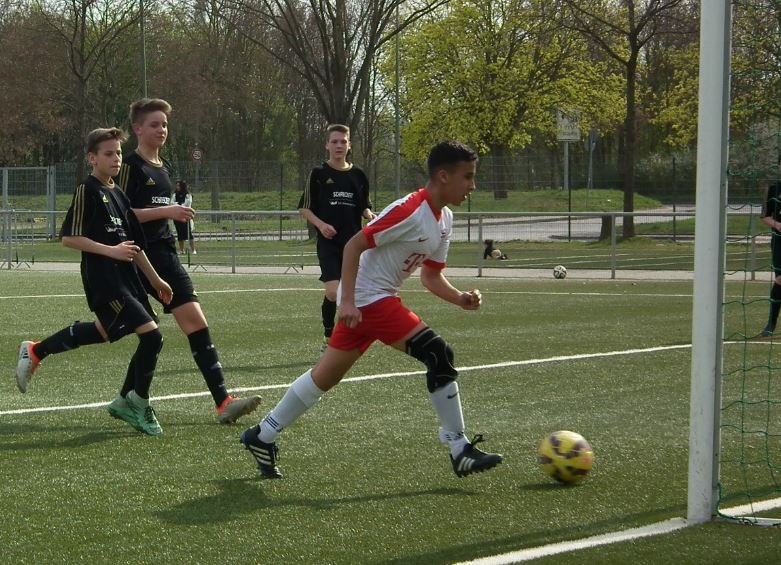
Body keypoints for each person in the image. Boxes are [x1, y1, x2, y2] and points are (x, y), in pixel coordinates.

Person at [240, 140, 503, 479]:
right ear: (443, 176)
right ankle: (458, 447)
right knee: (438, 352)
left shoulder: (445, 219)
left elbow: (431, 276)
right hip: (369, 298)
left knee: (324, 377)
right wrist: (348, 301)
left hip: (370, 300)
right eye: (467, 177)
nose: (472, 185)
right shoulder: (410, 210)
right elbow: (354, 245)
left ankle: (262, 435)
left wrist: (459, 298)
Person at [15, 127, 172, 436]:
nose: (116, 159)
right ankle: (137, 402)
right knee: (153, 337)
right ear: (92, 158)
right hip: (105, 280)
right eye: (108, 154)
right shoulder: (87, 190)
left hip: (128, 279)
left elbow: (135, 246)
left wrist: (157, 280)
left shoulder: (119, 194)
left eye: (118, 153)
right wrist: (111, 251)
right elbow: (69, 238)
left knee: (103, 332)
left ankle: (36, 351)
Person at [115, 98, 260, 423]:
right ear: (138, 129)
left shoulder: (163, 167)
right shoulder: (129, 166)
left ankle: (220, 402)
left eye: (165, 124)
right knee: (157, 330)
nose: (162, 130)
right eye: (154, 124)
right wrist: (167, 211)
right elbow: (122, 214)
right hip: (140, 258)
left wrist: (167, 217)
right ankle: (41, 350)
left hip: (165, 254)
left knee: (179, 325)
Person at [298, 124, 374, 354]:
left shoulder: (358, 175)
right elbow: (304, 208)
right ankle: (328, 334)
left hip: (354, 245)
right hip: (329, 244)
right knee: (333, 292)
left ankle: (345, 340)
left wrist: (370, 216)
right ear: (327, 145)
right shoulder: (318, 174)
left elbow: (365, 206)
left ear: (349, 145)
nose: (339, 145)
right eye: (335, 141)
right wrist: (321, 225)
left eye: (343, 141)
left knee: (352, 295)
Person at [760, 153, 781, 337]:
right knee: (780, 279)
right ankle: (771, 323)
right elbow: (765, 217)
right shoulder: (774, 189)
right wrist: (777, 225)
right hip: (779, 241)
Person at [173, 180, 197, 255]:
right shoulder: (175, 195)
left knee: (189, 233)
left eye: (178, 185)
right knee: (180, 234)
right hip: (177, 216)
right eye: (176, 185)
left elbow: (187, 203)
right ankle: (182, 250)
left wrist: (179, 205)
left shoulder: (188, 195)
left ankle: (193, 250)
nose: (177, 187)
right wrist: (177, 204)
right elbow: (172, 203)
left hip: (186, 216)